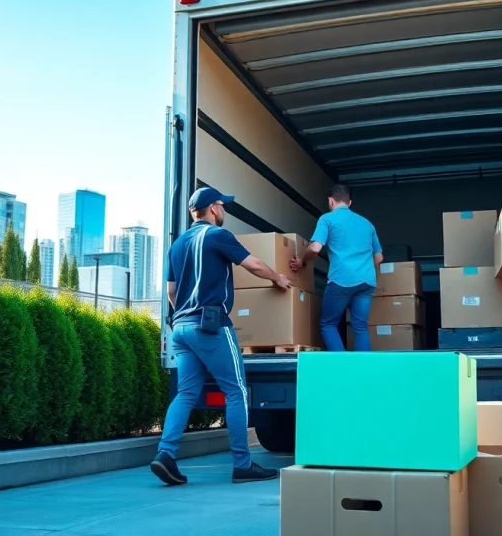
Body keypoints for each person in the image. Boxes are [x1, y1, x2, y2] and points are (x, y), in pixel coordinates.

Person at [150, 187, 292, 487]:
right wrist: (278, 278)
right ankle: (242, 465)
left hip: (181, 330)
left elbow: (171, 292)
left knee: (186, 393)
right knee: (236, 391)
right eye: (222, 205)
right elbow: (252, 264)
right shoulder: (218, 236)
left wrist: (186, 317)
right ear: (212, 209)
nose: (223, 210)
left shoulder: (176, 246)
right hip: (210, 326)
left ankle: (165, 454)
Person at [291, 184, 383, 352]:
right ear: (350, 202)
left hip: (342, 280)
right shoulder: (367, 224)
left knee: (328, 324)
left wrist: (302, 261)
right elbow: (379, 258)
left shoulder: (327, 219)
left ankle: (342, 366)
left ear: (330, 201)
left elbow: (315, 248)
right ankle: (365, 369)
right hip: (367, 282)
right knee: (360, 326)